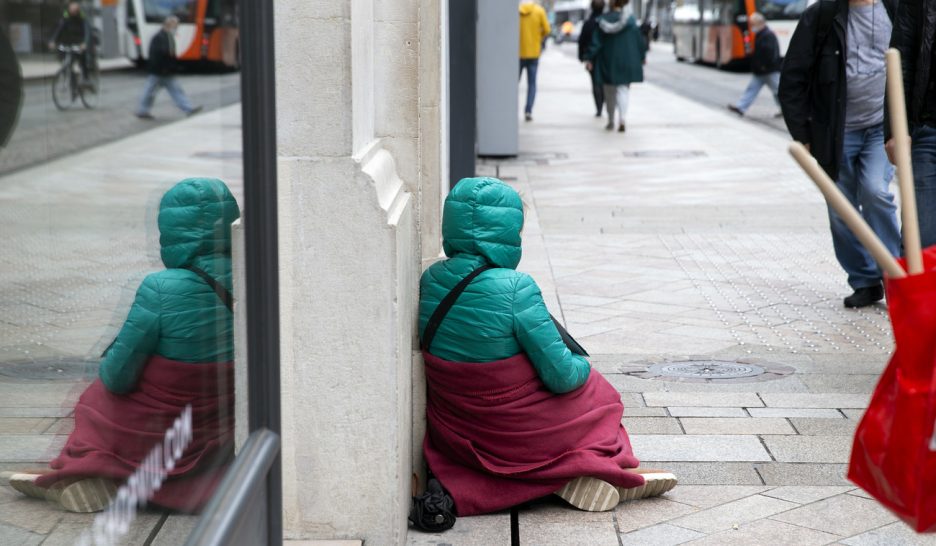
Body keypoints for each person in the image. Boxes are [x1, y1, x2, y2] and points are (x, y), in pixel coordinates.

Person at [419, 177, 677, 516]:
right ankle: (582, 469)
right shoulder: (516, 287)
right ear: (506, 233)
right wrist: (583, 365)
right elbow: (562, 376)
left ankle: (563, 476)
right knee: (601, 396)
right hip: (509, 431)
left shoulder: (431, 278)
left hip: (459, 427)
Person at [4, 178, 239, 513]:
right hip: (221, 414)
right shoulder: (254, 271)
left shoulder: (160, 287)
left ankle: (90, 470)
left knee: (96, 400)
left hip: (170, 419)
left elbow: (118, 375)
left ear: (170, 231)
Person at [779, 0, 900, 308]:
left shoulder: (897, 10)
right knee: (840, 207)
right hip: (835, 131)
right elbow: (793, 77)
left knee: (875, 192)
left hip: (880, 128)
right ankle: (864, 280)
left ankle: (896, 277)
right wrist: (802, 134)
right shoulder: (822, 15)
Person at [888, 0, 936, 248]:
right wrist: (895, 130)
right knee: (921, 238)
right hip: (928, 131)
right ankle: (919, 287)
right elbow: (900, 61)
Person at [585, 0, 647, 133]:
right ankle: (622, 118)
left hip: (608, 61)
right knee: (623, 90)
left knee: (609, 92)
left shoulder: (602, 21)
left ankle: (611, 120)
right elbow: (639, 42)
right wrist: (642, 57)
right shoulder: (630, 21)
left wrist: (589, 58)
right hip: (626, 61)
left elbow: (596, 43)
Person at [135, 16, 202, 120]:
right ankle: (142, 111)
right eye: (176, 24)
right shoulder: (160, 37)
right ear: (169, 24)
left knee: (175, 90)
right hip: (159, 71)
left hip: (166, 71)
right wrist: (164, 68)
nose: (177, 26)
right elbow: (158, 54)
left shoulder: (167, 35)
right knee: (150, 91)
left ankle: (188, 109)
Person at [727, 13, 782, 117]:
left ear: (760, 23)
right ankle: (741, 107)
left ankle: (789, 110)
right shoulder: (761, 34)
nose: (751, 27)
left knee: (779, 91)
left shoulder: (768, 35)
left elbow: (770, 53)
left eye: (753, 24)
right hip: (761, 70)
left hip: (769, 70)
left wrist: (764, 66)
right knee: (752, 89)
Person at [519, 1, 551, 122]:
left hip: (518, 52)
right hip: (533, 53)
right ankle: (528, 110)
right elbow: (547, 30)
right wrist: (538, 36)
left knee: (513, 84)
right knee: (531, 84)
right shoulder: (539, 11)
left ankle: (510, 107)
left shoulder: (517, 11)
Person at [48, 2, 91, 84]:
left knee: (83, 58)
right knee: (67, 61)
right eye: (71, 8)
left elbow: (87, 30)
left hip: (79, 41)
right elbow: (59, 29)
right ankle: (71, 79)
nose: (73, 10)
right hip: (68, 42)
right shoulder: (66, 16)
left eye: (75, 9)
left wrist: (84, 43)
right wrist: (52, 40)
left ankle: (86, 77)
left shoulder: (82, 16)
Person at [578, 0, 606, 117]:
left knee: (595, 82)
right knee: (604, 81)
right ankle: (602, 103)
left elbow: (582, 41)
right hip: (605, 57)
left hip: (592, 58)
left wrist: (582, 57)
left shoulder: (588, 23)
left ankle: (599, 107)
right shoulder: (606, 21)